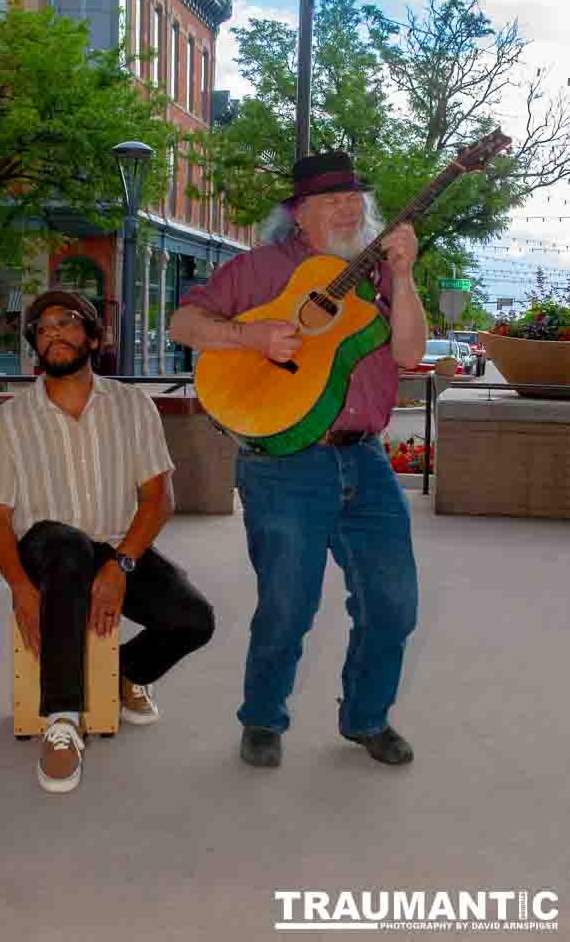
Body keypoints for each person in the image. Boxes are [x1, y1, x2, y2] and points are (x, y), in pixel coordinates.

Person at [169, 151, 427, 769]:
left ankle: (366, 718)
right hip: (283, 464)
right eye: (332, 199)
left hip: (365, 460)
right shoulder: (259, 269)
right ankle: (262, 718)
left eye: (355, 197)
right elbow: (183, 322)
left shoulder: (380, 274)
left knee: (393, 603)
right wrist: (249, 335)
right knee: (288, 605)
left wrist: (405, 275)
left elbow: (410, 354)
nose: (348, 208)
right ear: (298, 213)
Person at [0, 289, 214, 793]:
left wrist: (120, 566)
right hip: (46, 547)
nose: (53, 334)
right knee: (66, 548)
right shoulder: (10, 420)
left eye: (66, 322)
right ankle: (62, 721)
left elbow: (158, 499)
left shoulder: (133, 406)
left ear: (92, 337)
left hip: (115, 546)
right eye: (42, 329)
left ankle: (124, 674)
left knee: (194, 618)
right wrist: (19, 587)